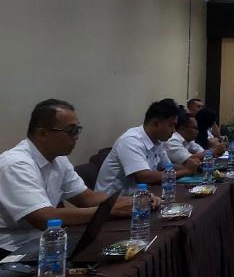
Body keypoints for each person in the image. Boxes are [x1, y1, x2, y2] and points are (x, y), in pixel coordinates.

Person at [0, 99, 142, 254]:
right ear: (42, 134)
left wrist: (135, 201)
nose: (76, 137)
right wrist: (108, 211)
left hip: (47, 240)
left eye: (77, 130)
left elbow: (86, 198)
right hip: (12, 250)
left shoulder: (58, 159)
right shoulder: (16, 164)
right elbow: (44, 218)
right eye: (71, 131)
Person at [95, 99, 199, 195]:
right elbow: (144, 177)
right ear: (156, 124)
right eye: (171, 125)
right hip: (111, 201)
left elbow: (166, 167)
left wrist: (190, 167)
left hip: (139, 196)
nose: (174, 131)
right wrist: (186, 171)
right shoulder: (131, 141)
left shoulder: (158, 141)